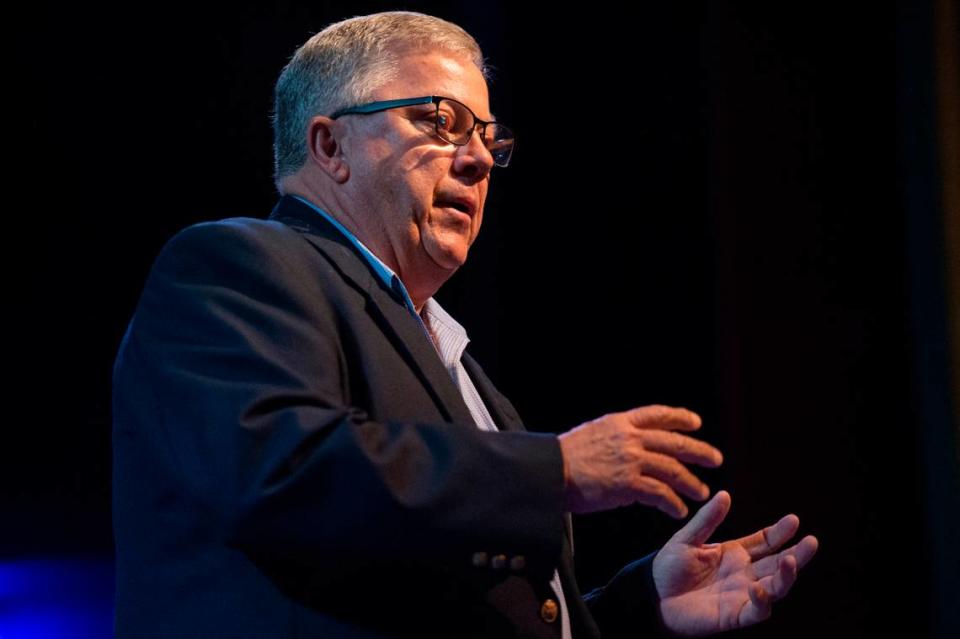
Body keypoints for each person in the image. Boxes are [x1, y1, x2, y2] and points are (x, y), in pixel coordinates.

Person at [112, 11, 818, 638]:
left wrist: (639, 608)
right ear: (330, 147)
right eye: (439, 122)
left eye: (487, 136)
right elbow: (283, 471)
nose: (480, 158)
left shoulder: (466, 372)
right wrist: (555, 470)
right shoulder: (235, 265)